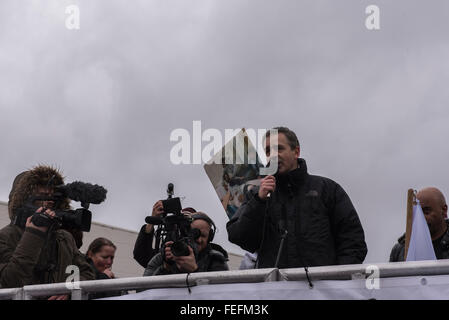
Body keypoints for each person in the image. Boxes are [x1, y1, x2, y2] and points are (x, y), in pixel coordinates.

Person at [226, 127, 368, 269]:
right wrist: (259, 201)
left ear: (296, 152)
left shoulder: (327, 189)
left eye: (279, 149)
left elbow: (353, 240)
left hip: (319, 288)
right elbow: (239, 237)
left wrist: (337, 279)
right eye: (268, 151)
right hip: (275, 288)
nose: (273, 156)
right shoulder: (257, 196)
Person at [0, 165, 95, 299]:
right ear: (25, 199)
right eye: (43, 196)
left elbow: (85, 273)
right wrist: (33, 235)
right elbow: (10, 282)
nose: (49, 202)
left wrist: (68, 291)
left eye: (53, 197)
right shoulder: (5, 237)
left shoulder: (64, 238)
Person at [143, 212, 229, 276]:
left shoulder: (216, 259)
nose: (199, 240)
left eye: (203, 235)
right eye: (194, 234)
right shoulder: (161, 258)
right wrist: (166, 267)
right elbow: (143, 291)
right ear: (184, 233)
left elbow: (221, 294)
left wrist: (195, 271)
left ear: (210, 237)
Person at [390, 187, 449, 262]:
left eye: (426, 212)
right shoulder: (400, 250)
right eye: (417, 213)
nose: (421, 218)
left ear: (444, 210)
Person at [133, 201, 196, 268]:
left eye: (188, 220)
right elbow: (141, 255)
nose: (183, 226)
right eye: (178, 222)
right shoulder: (167, 252)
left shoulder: (204, 253)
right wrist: (152, 222)